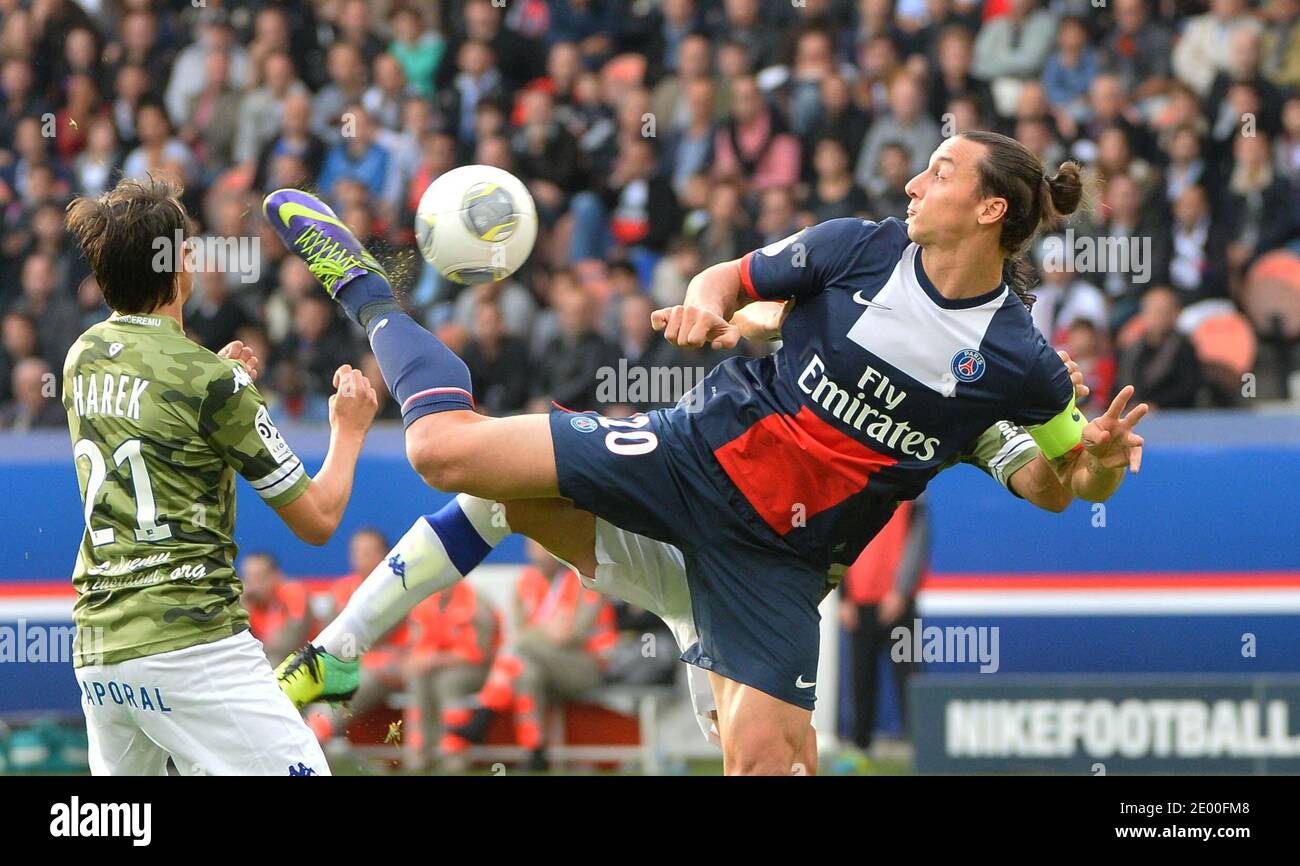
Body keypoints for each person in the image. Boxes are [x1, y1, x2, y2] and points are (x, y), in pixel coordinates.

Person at [267, 130, 1148, 774]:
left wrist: (1101, 456)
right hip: (685, 457)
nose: (916, 180)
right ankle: (370, 298)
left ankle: (342, 651)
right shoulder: (862, 247)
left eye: (941, 171)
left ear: (990, 209)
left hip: (774, 568)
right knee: (445, 455)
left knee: (774, 767)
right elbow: (733, 282)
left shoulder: (1018, 367)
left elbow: (1057, 481)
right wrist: (703, 305)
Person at [61, 175, 378, 776]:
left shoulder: (81, 357)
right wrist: (350, 430)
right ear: (176, 267)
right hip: (190, 640)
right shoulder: (212, 385)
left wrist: (216, 375)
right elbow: (318, 519)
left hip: (101, 647)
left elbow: (154, 408)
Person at [443, 539, 617, 770]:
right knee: (525, 670)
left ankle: (484, 717)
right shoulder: (524, 581)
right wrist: (546, 630)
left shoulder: (585, 581)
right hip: (540, 664)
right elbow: (517, 631)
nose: (540, 554)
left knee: (517, 650)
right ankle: (535, 753)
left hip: (586, 667)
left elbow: (572, 636)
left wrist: (541, 633)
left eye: (545, 546)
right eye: (534, 547)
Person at [241, 551, 315, 666]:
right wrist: (241, 611)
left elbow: (288, 642)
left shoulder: (293, 592)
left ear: (276, 575)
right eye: (248, 578)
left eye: (259, 578)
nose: (253, 585)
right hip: (266, 662)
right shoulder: (246, 603)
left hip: (304, 661)